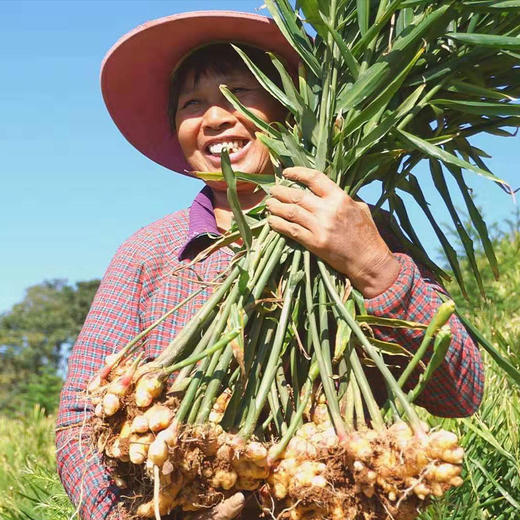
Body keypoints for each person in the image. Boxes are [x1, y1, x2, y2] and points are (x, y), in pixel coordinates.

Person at [56, 11, 484, 520]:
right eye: (192, 105)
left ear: (291, 111)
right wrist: (137, 513)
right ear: (177, 131)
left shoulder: (365, 230)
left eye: (239, 91)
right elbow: (79, 421)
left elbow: (462, 389)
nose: (214, 118)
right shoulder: (149, 253)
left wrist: (373, 267)